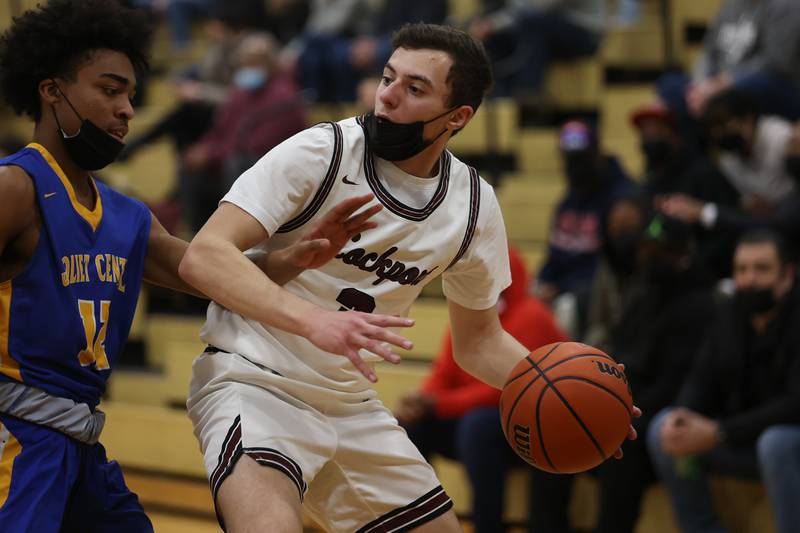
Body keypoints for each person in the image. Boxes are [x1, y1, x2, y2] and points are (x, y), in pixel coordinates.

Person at [178, 23, 640, 533]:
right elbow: (204, 256)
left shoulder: (472, 206)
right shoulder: (321, 153)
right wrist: (313, 321)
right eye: (388, 77)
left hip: (350, 404)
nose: (387, 97)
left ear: (457, 117)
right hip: (253, 377)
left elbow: (480, 341)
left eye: (414, 88)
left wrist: (578, 404)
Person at [0, 1, 394, 530]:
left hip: (76, 444)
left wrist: (293, 258)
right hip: (15, 433)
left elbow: (209, 274)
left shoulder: (126, 215)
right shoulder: (15, 187)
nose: (127, 111)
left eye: (132, 96)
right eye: (110, 90)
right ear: (52, 91)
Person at [531, 214, 716, 533]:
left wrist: (615, 411)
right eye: (647, 250)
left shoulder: (701, 306)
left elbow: (679, 384)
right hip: (622, 403)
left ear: (683, 256)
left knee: (623, 447)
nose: (651, 258)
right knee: (552, 424)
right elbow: (613, 358)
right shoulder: (641, 293)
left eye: (661, 252)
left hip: (661, 416)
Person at [396, 246, 568, 533]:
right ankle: (417, 521)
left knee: (477, 426)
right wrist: (421, 400)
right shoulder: (467, 312)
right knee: (409, 426)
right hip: (475, 422)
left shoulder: (532, 315)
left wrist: (437, 403)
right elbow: (443, 373)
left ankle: (487, 526)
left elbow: (507, 390)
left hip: (530, 429)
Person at [647, 229, 800, 533]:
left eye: (762, 269)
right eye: (741, 270)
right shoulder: (728, 314)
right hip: (738, 440)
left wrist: (720, 432)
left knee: (776, 443)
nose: (749, 280)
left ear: (787, 276)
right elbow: (700, 380)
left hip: (785, 444)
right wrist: (683, 416)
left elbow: (795, 405)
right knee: (662, 428)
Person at [182, 32, 308, 232]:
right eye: (245, 63)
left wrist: (211, 155)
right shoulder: (240, 93)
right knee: (190, 169)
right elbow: (219, 130)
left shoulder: (285, 96)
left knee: (236, 162)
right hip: (228, 161)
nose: (248, 69)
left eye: (255, 63)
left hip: (265, 169)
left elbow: (260, 144)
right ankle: (198, 234)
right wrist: (203, 149)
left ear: (271, 63)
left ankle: (231, 232)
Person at [534, 119, 634, 338]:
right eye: (569, 159)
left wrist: (559, 288)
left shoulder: (622, 199)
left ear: (597, 153)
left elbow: (612, 268)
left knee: (566, 309)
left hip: (598, 296)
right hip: (564, 289)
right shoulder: (569, 199)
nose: (574, 166)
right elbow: (555, 255)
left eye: (580, 159)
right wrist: (543, 283)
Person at [469, 0, 605, 100]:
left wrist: (492, 24)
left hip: (585, 33)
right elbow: (519, 9)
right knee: (499, 38)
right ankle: (498, 95)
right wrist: (488, 25)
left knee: (533, 24)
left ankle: (529, 92)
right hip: (548, 31)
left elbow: (538, 7)